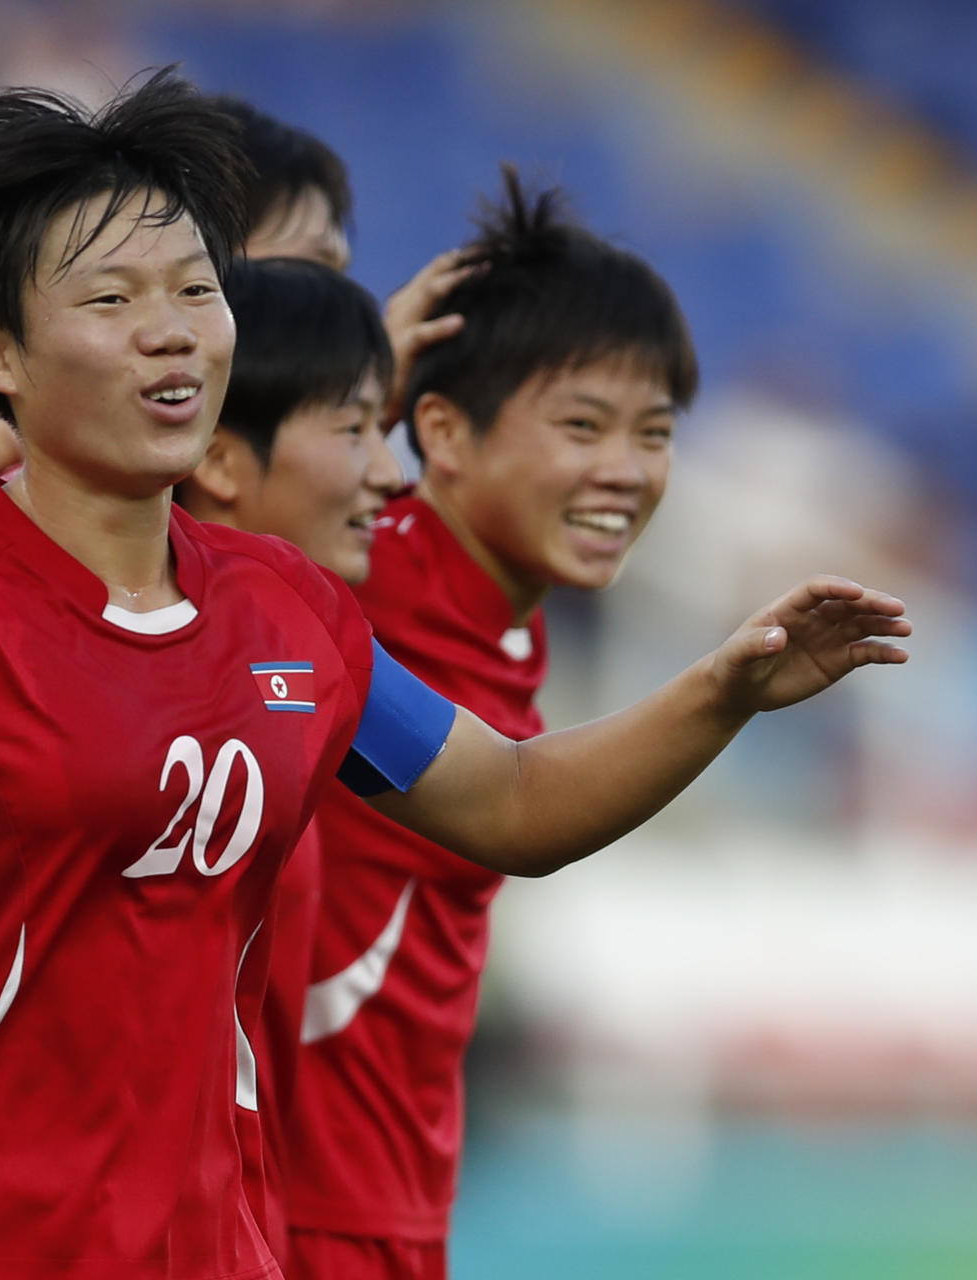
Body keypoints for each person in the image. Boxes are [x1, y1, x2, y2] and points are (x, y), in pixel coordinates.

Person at [0, 69, 908, 1280]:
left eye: (195, 288)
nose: (171, 332)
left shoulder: (286, 607)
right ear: (0, 356)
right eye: (111, 300)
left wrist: (724, 690)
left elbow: (515, 804)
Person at [281, 168, 701, 1280]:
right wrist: (341, 365)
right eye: (581, 424)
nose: (624, 470)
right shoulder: (348, 585)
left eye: (653, 431)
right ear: (442, 433)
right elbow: (198, 513)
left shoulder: (509, 621)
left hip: (389, 1204)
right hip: (287, 1204)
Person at [172, 254, 401, 1264]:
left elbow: (519, 800)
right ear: (220, 457)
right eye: (355, 427)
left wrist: (727, 686)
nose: (390, 472)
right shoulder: (6, 630)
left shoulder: (316, 646)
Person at [0, 93, 470, 493]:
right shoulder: (34, 447)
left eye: (336, 277)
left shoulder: (290, 588)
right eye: (298, 274)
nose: (332, 309)